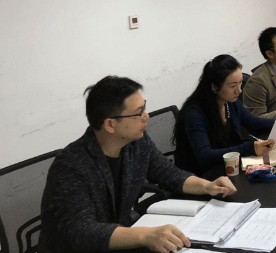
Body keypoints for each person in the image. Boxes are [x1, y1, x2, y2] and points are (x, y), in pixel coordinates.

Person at [39, 76, 237, 253]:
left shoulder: (136, 143)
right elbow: (82, 232)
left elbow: (166, 172)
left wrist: (207, 186)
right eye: (138, 112)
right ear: (110, 125)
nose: (146, 116)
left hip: (119, 241)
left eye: (144, 107)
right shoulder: (70, 167)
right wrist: (145, 236)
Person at [174, 54, 276, 175]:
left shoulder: (230, 102)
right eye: (232, 86)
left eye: (240, 83)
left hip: (227, 168)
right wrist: (249, 148)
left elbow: (253, 123)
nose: (239, 90)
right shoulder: (194, 114)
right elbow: (205, 156)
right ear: (214, 87)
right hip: (201, 175)